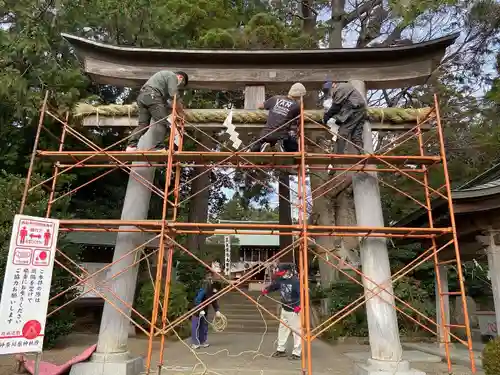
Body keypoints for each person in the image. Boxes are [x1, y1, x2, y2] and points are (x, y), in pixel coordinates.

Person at [126, 70, 188, 152]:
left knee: (143, 124)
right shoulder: (172, 76)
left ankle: (131, 145)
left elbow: (166, 101)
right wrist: (181, 113)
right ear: (180, 77)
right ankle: (159, 146)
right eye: (182, 84)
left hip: (142, 97)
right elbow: (174, 96)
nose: (179, 85)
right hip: (152, 95)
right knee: (162, 121)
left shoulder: (162, 81)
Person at [249, 83, 306, 152]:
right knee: (293, 147)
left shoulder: (275, 98)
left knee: (253, 150)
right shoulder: (296, 106)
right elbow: (298, 120)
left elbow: (260, 106)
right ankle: (280, 147)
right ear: (299, 97)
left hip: (265, 134)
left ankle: (263, 146)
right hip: (281, 136)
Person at [261, 264, 301, 360]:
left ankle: (297, 353)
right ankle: (281, 350)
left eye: (283, 273)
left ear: (288, 271)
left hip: (294, 311)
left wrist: (299, 306)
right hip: (284, 308)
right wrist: (267, 290)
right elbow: (274, 286)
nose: (281, 275)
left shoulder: (295, 282)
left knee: (297, 332)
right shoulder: (281, 279)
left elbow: (302, 294)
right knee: (282, 330)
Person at [322, 81, 367, 155]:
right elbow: (341, 106)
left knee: (342, 133)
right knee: (356, 136)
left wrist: (326, 116)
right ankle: (363, 154)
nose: (330, 93)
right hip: (361, 111)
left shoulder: (339, 89)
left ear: (333, 85)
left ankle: (340, 155)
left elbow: (336, 107)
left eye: (329, 91)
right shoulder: (344, 87)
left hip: (354, 110)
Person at [191, 280, 222, 349]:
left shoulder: (213, 293)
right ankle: (195, 343)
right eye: (216, 290)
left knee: (204, 326)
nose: (216, 291)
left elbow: (214, 302)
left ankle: (202, 341)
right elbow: (197, 300)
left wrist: (217, 311)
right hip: (196, 310)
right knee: (195, 327)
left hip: (204, 311)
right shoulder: (204, 290)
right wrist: (200, 310)